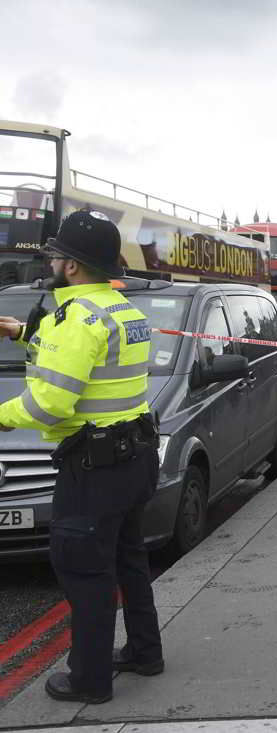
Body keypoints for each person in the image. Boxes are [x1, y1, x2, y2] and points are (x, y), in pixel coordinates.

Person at [0, 210, 162, 704]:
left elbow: (50, 403)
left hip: (94, 469)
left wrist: (2, 415)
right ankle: (144, 652)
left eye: (54, 255)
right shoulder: (121, 309)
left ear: (71, 266)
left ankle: (90, 680)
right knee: (129, 560)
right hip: (134, 457)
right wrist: (23, 334)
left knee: (85, 572)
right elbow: (90, 357)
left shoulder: (75, 319)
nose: (49, 260)